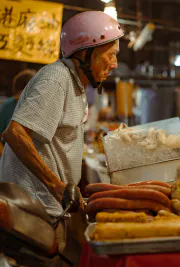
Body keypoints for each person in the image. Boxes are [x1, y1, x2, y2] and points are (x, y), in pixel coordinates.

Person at [0, 11, 124, 265]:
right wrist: (57, 186)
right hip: (31, 213)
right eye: (110, 55)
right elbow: (15, 133)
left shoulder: (76, 85)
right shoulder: (56, 79)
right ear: (84, 54)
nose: (114, 64)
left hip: (48, 211)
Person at [0, 69, 36, 156]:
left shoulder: (37, 107)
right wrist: (4, 156)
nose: (18, 99)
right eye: (17, 95)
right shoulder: (7, 106)